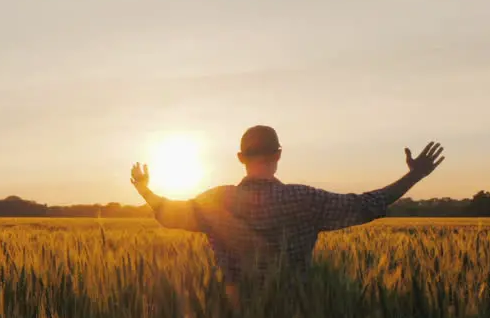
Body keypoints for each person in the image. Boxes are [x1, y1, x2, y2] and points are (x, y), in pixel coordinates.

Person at [130, 126, 445, 304]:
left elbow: (169, 215)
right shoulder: (304, 199)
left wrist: (145, 190)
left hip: (236, 315)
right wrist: (413, 177)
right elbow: (366, 205)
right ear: (278, 155)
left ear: (240, 158)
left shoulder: (216, 201)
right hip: (297, 312)